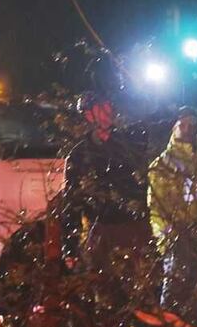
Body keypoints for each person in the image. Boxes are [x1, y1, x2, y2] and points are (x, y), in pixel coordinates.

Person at [60, 92, 149, 274]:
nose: (108, 112)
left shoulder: (130, 145)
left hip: (132, 229)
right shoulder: (80, 155)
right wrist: (70, 246)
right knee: (103, 286)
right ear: (88, 115)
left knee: (139, 286)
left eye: (109, 106)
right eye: (101, 108)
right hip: (101, 231)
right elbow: (73, 201)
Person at [147, 107, 197, 314]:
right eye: (182, 124)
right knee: (174, 292)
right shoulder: (162, 164)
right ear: (173, 127)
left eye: (192, 125)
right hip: (177, 239)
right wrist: (168, 239)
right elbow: (156, 207)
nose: (187, 129)